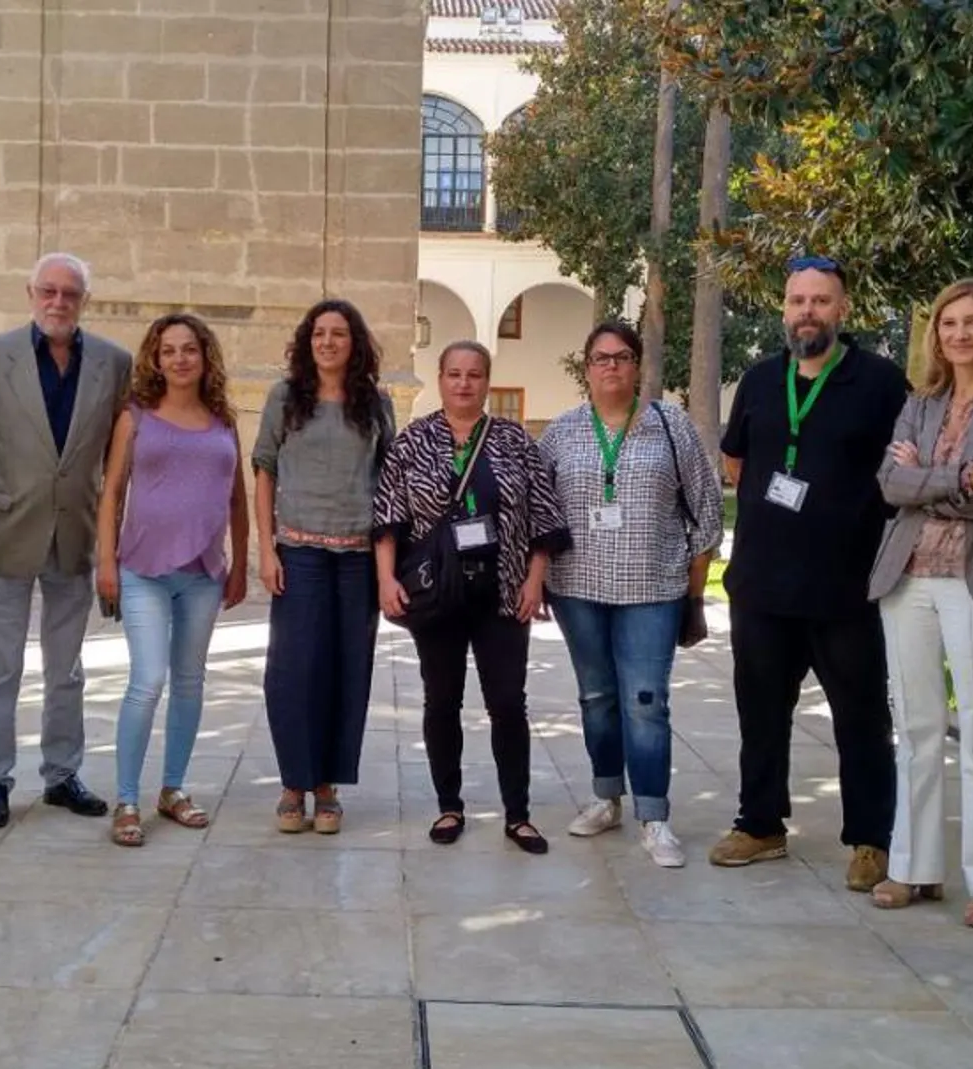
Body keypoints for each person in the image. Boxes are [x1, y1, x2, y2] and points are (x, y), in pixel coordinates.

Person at [712, 255, 908, 891]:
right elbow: (736, 462)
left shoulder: (880, 383)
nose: (808, 312)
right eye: (798, 301)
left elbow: (901, 473)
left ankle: (871, 839)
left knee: (861, 718)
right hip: (762, 585)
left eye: (821, 301)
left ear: (843, 309)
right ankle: (760, 823)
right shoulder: (761, 380)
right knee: (761, 712)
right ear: (783, 308)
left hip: (846, 588)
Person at [866, 278, 973, 926]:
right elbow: (890, 484)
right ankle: (913, 868)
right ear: (935, 335)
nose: (961, 334)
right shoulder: (921, 402)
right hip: (907, 575)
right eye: (949, 324)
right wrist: (970, 473)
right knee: (914, 728)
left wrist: (927, 480)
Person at [373, 341, 571, 854]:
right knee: (442, 700)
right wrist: (385, 580)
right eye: (455, 374)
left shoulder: (514, 441)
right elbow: (388, 519)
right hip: (436, 594)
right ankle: (448, 805)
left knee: (508, 703)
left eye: (475, 375)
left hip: (504, 593)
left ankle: (518, 814)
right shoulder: (413, 441)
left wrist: (535, 579)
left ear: (487, 381)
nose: (464, 383)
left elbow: (543, 516)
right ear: (439, 379)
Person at [537, 322, 723, 868]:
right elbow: (539, 510)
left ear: (637, 365)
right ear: (586, 368)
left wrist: (693, 590)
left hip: (653, 588)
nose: (611, 367)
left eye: (621, 357)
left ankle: (654, 815)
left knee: (645, 701)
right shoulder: (565, 431)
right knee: (596, 697)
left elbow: (707, 511)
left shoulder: (672, 426)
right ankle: (604, 796)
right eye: (600, 358)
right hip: (578, 589)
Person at [0, 253, 132, 828]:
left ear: (86, 300)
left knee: (67, 667)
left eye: (71, 294)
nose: (58, 303)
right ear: (30, 292)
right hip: (8, 531)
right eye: (48, 292)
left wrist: (114, 540)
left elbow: (118, 457)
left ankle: (62, 773)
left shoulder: (113, 362)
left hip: (75, 534)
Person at [95, 313, 249, 846]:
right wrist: (106, 563)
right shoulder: (135, 417)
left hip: (204, 573)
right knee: (148, 681)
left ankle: (174, 788)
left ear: (205, 357)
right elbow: (112, 491)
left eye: (189, 349)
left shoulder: (224, 420)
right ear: (155, 360)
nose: (179, 359)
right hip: (142, 571)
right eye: (168, 351)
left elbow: (237, 498)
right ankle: (127, 798)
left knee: (190, 681)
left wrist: (241, 563)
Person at [253, 298, 395, 835]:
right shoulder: (285, 398)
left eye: (339, 333)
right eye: (319, 334)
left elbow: (389, 489)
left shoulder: (376, 404)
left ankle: (328, 786)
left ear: (355, 343)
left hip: (357, 558)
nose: (329, 342)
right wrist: (266, 550)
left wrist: (387, 568)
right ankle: (295, 781)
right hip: (301, 554)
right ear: (306, 342)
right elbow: (264, 469)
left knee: (347, 668)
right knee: (292, 671)